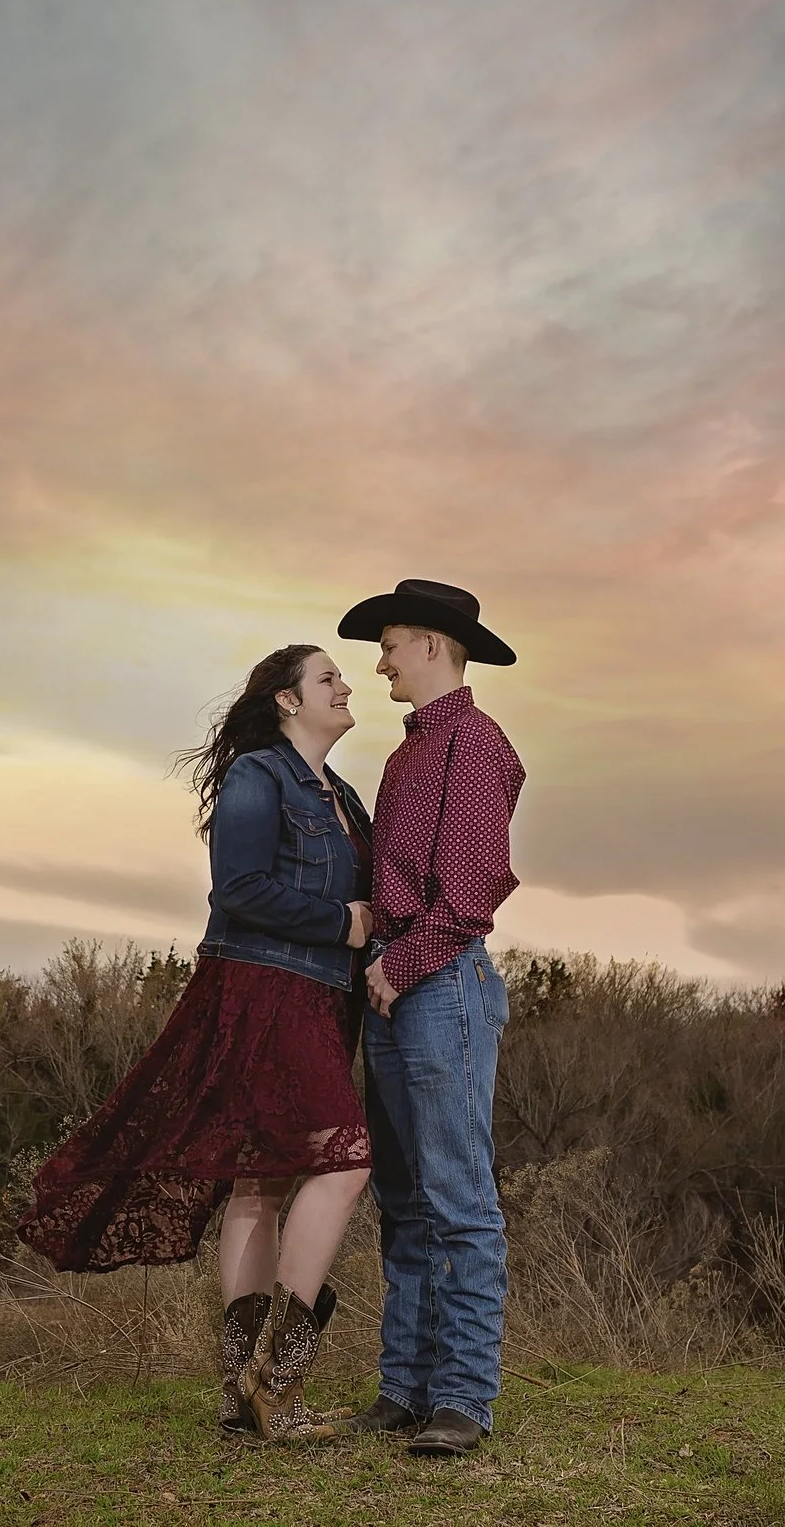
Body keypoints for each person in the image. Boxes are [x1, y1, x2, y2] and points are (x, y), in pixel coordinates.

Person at [16, 644, 376, 1440]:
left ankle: (240, 1398)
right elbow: (240, 889)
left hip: (320, 1000)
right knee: (344, 1162)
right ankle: (272, 1383)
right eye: (328, 678)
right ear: (287, 701)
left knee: (264, 1182)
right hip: (264, 991)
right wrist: (341, 922)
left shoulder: (342, 794)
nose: (346, 685)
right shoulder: (260, 774)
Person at [333, 578, 525, 1458]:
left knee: (459, 1200)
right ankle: (404, 1388)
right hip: (395, 985)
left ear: (436, 646)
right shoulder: (408, 753)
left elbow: (475, 886)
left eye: (393, 644)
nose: (380, 663)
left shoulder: (476, 745)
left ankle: (462, 1399)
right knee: (405, 1203)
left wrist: (400, 966)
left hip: (440, 983)